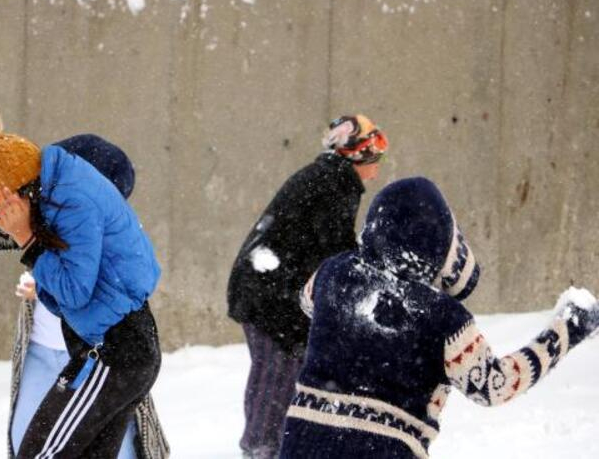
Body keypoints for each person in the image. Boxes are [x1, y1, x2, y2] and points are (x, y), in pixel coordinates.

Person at [280, 177, 599, 459]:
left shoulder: (333, 272)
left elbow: (308, 303)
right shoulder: (443, 318)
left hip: (302, 442)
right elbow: (493, 386)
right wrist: (567, 330)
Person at [0, 103, 162, 459]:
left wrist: (35, 256)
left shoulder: (80, 209)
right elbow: (8, 231)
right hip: (59, 349)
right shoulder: (56, 194)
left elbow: (71, 282)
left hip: (105, 350)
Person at [226, 115, 389, 458]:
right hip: (269, 296)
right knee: (276, 372)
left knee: (284, 374)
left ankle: (273, 447)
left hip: (271, 291)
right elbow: (337, 251)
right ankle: (261, 450)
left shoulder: (330, 177)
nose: (378, 165)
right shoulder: (336, 182)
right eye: (375, 154)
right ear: (358, 155)